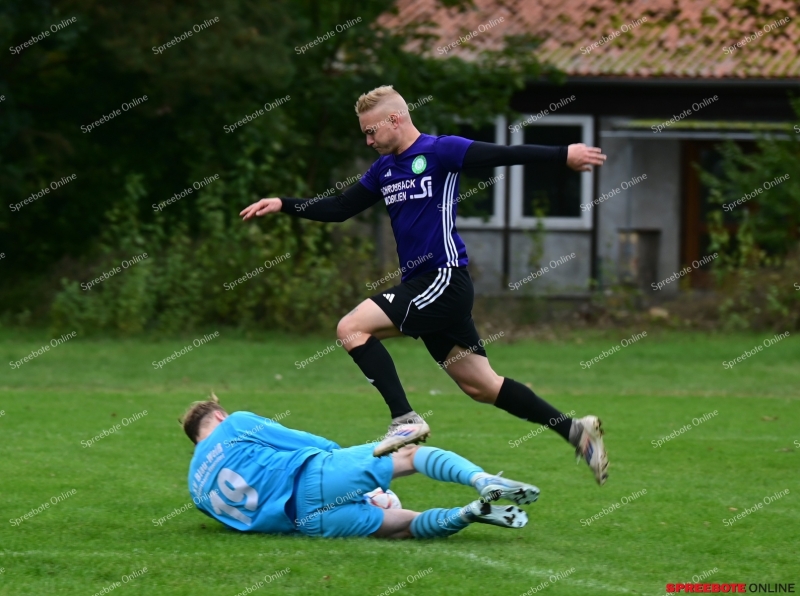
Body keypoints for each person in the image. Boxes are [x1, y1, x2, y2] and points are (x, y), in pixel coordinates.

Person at [240, 85, 608, 485]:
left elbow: (501, 153)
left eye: (371, 131)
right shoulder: (383, 169)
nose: (368, 140)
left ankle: (404, 418)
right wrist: (284, 203)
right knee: (482, 386)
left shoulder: (440, 151)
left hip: (444, 279)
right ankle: (575, 430)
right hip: (423, 284)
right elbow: (340, 208)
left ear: (395, 120)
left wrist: (561, 155)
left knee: (351, 327)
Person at [182, 395, 539, 538]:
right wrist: (343, 461)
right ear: (218, 414)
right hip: (313, 477)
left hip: (306, 524)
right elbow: (300, 440)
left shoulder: (196, 489)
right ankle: (482, 480)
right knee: (409, 455)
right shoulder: (235, 423)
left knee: (406, 529)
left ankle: (468, 513)